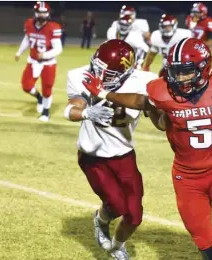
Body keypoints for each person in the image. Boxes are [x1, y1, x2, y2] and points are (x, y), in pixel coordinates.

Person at [82, 37, 212, 260]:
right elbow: (141, 102)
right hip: (187, 179)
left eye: (184, 72)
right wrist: (102, 93)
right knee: (205, 241)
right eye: (174, 72)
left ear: (203, 69)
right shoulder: (163, 91)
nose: (178, 78)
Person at [64, 39, 160, 260]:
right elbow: (71, 108)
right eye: (97, 67)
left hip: (125, 154)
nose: (99, 75)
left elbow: (157, 109)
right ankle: (101, 220)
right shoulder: (79, 75)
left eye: (106, 73)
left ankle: (116, 245)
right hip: (93, 156)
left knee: (135, 216)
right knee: (116, 206)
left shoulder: (144, 81)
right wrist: (86, 113)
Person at [15, 1, 63, 122]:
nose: (42, 15)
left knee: (47, 88)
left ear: (48, 13)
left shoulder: (53, 27)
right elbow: (27, 38)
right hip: (33, 61)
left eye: (44, 13)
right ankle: (39, 97)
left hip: (48, 62)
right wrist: (19, 52)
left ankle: (45, 112)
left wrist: (45, 55)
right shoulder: (29, 24)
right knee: (26, 86)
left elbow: (58, 49)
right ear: (35, 13)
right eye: (40, 13)